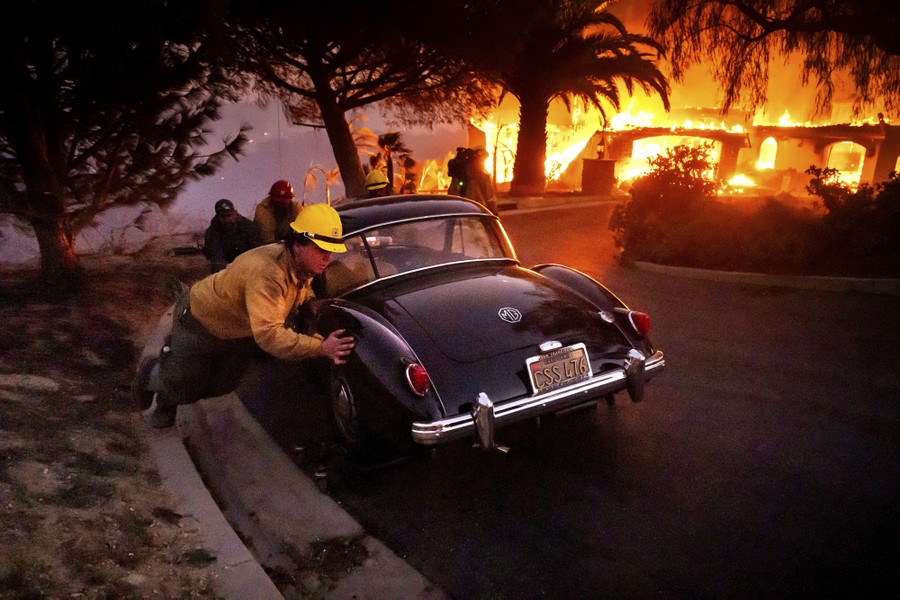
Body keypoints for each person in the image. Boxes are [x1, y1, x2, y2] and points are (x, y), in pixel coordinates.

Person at [146, 203, 356, 429]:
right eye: (321, 250)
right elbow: (269, 335)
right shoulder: (267, 274)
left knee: (224, 385)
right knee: (185, 385)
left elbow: (300, 288)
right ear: (297, 245)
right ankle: (153, 376)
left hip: (236, 328)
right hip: (199, 320)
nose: (328, 257)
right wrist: (320, 347)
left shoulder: (301, 263)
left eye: (331, 250)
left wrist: (310, 302)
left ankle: (174, 371)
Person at [203, 199, 263, 273]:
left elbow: (257, 251)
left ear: (235, 213)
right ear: (218, 217)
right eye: (223, 216)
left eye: (229, 215)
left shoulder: (248, 227)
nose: (227, 220)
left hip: (247, 262)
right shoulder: (212, 231)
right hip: (225, 266)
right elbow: (214, 254)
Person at [463, 147, 498, 215]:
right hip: (477, 210)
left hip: (479, 210)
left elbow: (490, 197)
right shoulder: (470, 180)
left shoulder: (484, 178)